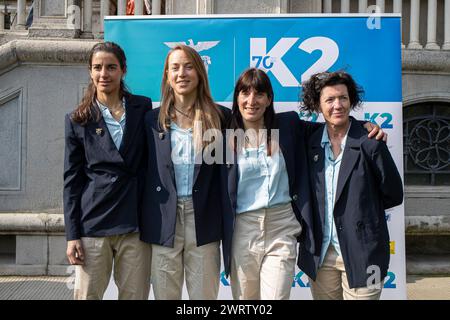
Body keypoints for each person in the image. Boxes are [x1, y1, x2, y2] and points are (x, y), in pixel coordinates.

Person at [221, 68, 387, 300]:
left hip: (282, 227)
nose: (251, 101)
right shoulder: (224, 134)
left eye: (259, 94)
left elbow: (333, 126)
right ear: (237, 97)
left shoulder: (287, 126)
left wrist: (365, 126)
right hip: (243, 230)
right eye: (244, 93)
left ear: (269, 99)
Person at [300, 71, 403, 300]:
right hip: (322, 254)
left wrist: (362, 211)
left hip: (363, 252)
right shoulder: (310, 142)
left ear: (351, 101)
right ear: (318, 106)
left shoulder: (370, 141)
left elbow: (393, 194)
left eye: (343, 98)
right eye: (329, 100)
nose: (337, 105)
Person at [140, 44, 230, 300]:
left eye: (189, 66)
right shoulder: (151, 120)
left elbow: (229, 174)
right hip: (163, 220)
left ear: (200, 73)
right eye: (175, 67)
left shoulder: (220, 118)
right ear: (167, 75)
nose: (182, 73)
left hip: (204, 220)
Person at [63, 42, 152, 300]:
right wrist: (72, 235)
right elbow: (71, 180)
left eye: (111, 67)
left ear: (123, 70)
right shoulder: (78, 119)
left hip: (134, 222)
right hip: (93, 223)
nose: (104, 74)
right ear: (90, 72)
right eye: (98, 67)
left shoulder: (142, 108)